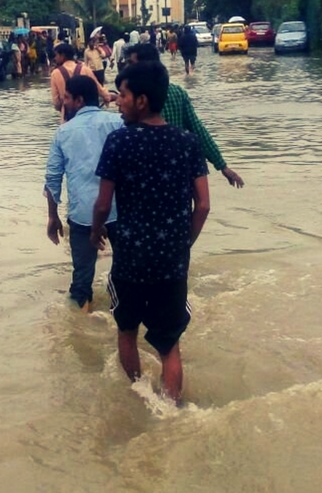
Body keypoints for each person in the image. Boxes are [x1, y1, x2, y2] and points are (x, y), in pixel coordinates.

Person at [91, 59, 210, 403]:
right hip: (171, 262)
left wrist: (94, 232)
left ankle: (138, 396)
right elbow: (202, 205)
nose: (117, 100)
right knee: (169, 344)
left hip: (129, 259)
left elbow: (102, 204)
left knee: (127, 331)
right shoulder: (187, 143)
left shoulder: (119, 142)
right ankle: (170, 409)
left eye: (123, 94)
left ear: (142, 100)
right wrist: (183, 243)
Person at [44, 75, 124, 312]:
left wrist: (53, 216)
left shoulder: (63, 133)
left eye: (67, 98)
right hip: (121, 211)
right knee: (127, 274)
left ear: (78, 100)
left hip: (83, 216)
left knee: (81, 281)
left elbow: (53, 179)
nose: (63, 103)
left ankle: (81, 336)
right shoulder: (119, 123)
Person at [124, 43, 245, 188]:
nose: (127, 69)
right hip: (178, 176)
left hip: (144, 175)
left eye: (131, 63)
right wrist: (222, 166)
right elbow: (198, 130)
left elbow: (197, 130)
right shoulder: (177, 93)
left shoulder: (134, 99)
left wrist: (222, 166)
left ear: (145, 66)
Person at [50, 43, 115, 122]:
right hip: (89, 116)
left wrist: (64, 106)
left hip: (68, 118)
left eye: (56, 55)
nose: (55, 58)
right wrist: (107, 97)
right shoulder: (85, 69)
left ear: (62, 56)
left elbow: (56, 103)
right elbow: (99, 89)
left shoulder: (55, 73)